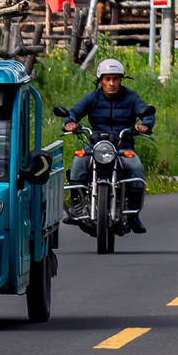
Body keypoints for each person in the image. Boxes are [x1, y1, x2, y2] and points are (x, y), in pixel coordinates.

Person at [62, 55, 155, 229]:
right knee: (79, 161)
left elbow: (146, 113)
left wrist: (145, 125)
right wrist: (70, 123)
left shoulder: (131, 97)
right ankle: (77, 206)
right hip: (96, 145)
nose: (112, 83)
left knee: (135, 167)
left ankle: (133, 213)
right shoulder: (92, 97)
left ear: (121, 80)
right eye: (108, 79)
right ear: (101, 81)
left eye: (116, 79)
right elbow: (73, 112)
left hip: (122, 146)